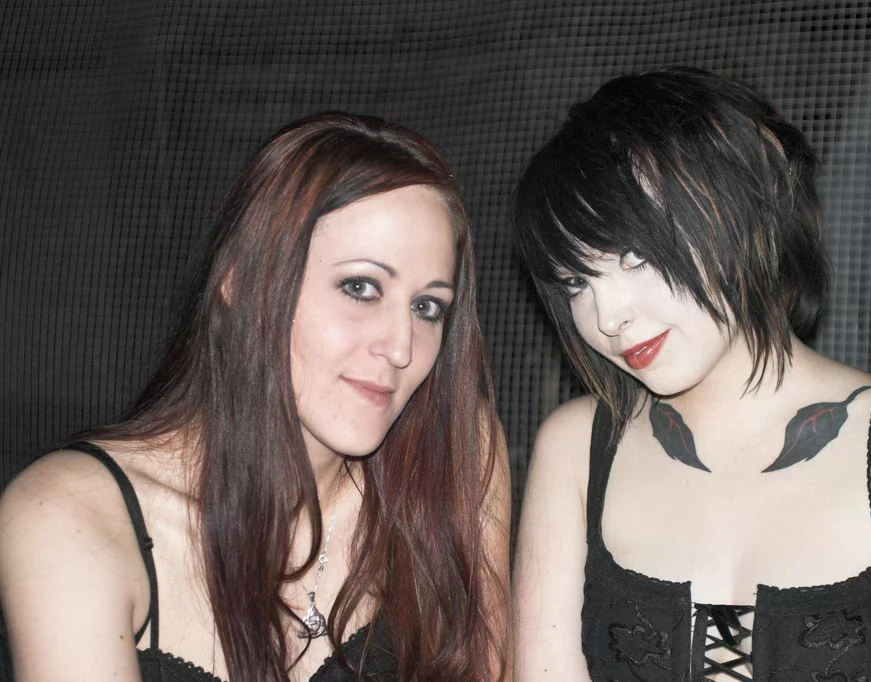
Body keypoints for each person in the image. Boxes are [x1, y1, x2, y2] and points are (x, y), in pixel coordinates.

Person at [511, 65, 871, 681]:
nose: (607, 315)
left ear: (739, 205)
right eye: (575, 281)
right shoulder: (576, 450)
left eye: (635, 256)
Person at [0, 112, 510, 681]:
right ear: (241, 283)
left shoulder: (454, 458)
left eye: (427, 307)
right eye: (360, 287)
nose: (400, 347)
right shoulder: (71, 516)